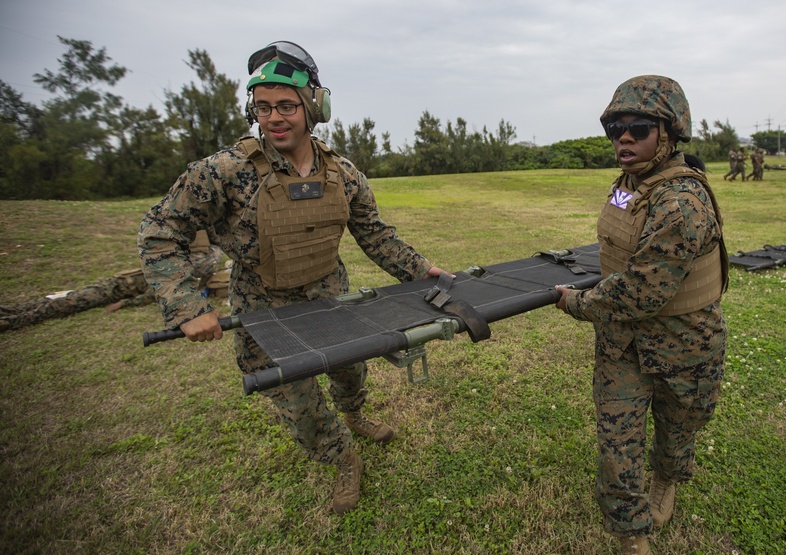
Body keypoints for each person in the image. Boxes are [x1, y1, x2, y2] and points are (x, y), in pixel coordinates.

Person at [137, 41, 449, 516]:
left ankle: (355, 414)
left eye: (286, 105)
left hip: (329, 294)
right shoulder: (225, 172)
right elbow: (159, 229)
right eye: (263, 108)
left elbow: (374, 234)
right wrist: (187, 307)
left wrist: (420, 269)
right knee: (299, 402)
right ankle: (341, 456)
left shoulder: (343, 173)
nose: (273, 118)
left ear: (312, 107)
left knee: (350, 368)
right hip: (263, 309)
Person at [555, 75, 728, 555]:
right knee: (618, 443)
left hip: (684, 343)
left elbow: (638, 292)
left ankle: (667, 481)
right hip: (622, 345)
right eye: (615, 129)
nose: (623, 138)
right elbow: (621, 250)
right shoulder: (629, 186)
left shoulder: (682, 202)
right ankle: (632, 535)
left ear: (669, 133)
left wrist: (576, 301)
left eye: (637, 128)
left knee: (678, 431)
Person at [0, 230, 221, 333]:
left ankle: (14, 318)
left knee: (72, 300)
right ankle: (13, 313)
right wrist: (127, 303)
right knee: (71, 299)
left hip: (124, 284)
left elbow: (160, 292)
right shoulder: (186, 267)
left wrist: (125, 304)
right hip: (123, 283)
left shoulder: (191, 270)